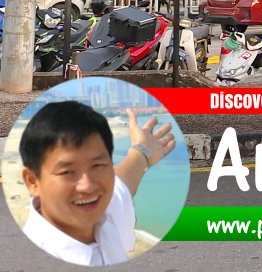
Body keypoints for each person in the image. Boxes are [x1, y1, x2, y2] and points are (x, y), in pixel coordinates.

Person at [19, 100, 176, 266]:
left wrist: (142, 151)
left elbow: (121, 184)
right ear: (32, 181)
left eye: (97, 165)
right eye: (67, 172)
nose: (87, 186)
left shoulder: (103, 214)